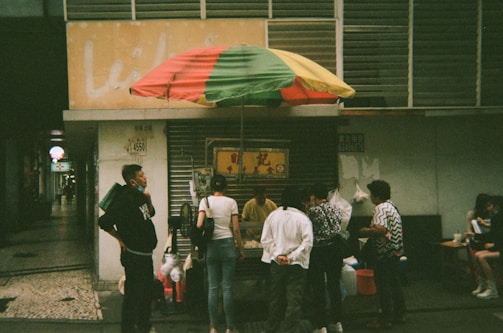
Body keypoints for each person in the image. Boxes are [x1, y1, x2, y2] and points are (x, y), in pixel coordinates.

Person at [98, 164, 157, 333]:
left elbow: (150, 214)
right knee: (133, 297)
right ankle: (128, 329)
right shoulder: (124, 199)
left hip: (145, 256)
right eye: (141, 175)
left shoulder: (140, 196)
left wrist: (148, 198)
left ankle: (144, 327)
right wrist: (120, 240)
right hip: (134, 257)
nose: (145, 177)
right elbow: (104, 222)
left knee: (146, 295)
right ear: (133, 181)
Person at [196, 174, 245, 333]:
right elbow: (236, 229)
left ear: (211, 187)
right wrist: (241, 249)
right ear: (225, 187)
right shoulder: (231, 202)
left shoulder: (205, 201)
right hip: (227, 244)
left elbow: (199, 225)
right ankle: (230, 327)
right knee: (227, 287)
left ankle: (213, 327)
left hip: (211, 246)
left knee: (212, 287)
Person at [260, 186, 313, 333]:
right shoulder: (303, 219)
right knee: (294, 300)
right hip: (297, 265)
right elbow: (307, 242)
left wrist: (278, 255)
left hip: (277, 264)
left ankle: (270, 329)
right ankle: (290, 330)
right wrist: (291, 257)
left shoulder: (272, 216)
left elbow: (265, 240)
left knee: (275, 298)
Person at [359, 180, 406, 329]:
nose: (371, 197)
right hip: (396, 251)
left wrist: (365, 231)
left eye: (372, 194)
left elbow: (380, 230)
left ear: (376, 195)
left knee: (383, 286)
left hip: (384, 254)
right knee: (394, 283)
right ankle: (400, 314)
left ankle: (385, 318)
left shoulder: (380, 208)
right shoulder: (392, 206)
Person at [306, 183, 344, 333]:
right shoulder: (336, 208)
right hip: (335, 250)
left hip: (318, 252)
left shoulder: (312, 211)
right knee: (335, 285)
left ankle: (320, 325)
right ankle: (337, 322)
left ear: (314, 196)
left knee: (318, 288)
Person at [469, 195, 502, 299]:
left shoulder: (498, 218)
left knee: (482, 257)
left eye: (489, 205)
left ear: (496, 206)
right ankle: (483, 284)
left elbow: (498, 236)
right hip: (500, 247)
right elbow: (493, 234)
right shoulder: (496, 218)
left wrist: (493, 246)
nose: (488, 208)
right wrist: (474, 235)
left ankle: (492, 289)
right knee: (477, 255)